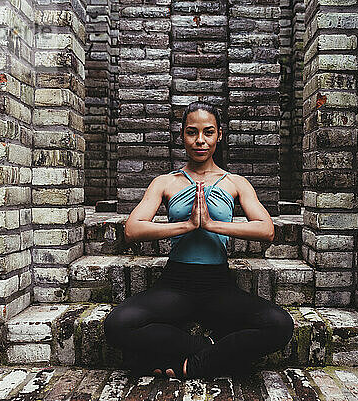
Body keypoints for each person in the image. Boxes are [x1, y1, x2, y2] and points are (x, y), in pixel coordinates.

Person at [103, 101, 294, 380]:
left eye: (208, 132)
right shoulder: (165, 182)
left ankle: (195, 366)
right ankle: (207, 349)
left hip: (218, 286)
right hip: (176, 284)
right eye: (192, 132)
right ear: (182, 135)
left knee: (280, 325)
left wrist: (213, 225)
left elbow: (266, 230)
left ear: (219, 135)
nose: (200, 140)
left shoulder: (235, 182)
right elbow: (132, 230)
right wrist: (187, 225)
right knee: (117, 325)